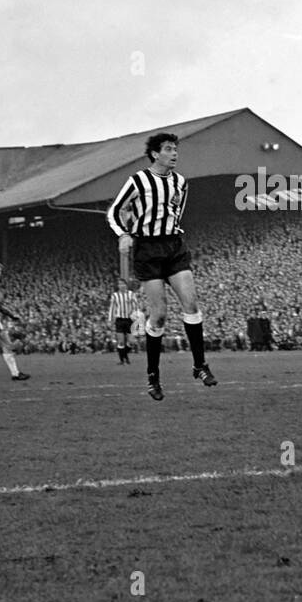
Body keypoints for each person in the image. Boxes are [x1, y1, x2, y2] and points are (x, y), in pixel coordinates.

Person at [107, 133, 217, 401]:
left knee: (191, 304)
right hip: (148, 251)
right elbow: (114, 211)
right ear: (155, 154)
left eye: (175, 149)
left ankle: (200, 365)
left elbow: (176, 213)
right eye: (168, 149)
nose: (174, 153)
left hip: (174, 247)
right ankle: (153, 376)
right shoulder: (138, 180)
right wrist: (124, 234)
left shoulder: (181, 182)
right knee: (159, 316)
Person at [107, 279, 138, 364]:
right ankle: (122, 360)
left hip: (129, 320)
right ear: (118, 286)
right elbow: (112, 308)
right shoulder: (115, 295)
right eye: (120, 284)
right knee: (121, 341)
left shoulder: (131, 294)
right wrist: (110, 320)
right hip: (119, 320)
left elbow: (136, 306)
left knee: (131, 341)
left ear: (126, 285)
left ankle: (124, 356)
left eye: (123, 284)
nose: (122, 286)